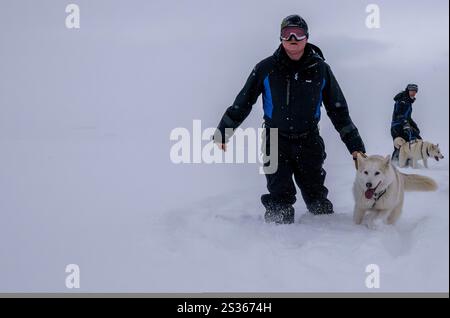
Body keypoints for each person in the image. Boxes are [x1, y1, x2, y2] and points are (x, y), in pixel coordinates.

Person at [213, 15, 366, 224]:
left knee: (316, 196)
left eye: (298, 33)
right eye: (287, 33)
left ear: (307, 37)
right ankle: (276, 245)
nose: (293, 37)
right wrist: (224, 130)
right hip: (275, 140)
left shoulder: (321, 70)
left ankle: (328, 242)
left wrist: (355, 145)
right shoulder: (266, 68)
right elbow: (244, 101)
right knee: (279, 197)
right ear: (281, 38)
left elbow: (338, 110)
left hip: (309, 140)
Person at [391, 84, 422, 161]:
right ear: (408, 90)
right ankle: (395, 162)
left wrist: (414, 126)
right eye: (412, 91)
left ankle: (408, 162)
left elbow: (408, 117)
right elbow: (398, 114)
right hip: (397, 126)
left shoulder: (409, 102)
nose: (413, 93)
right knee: (401, 145)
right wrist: (405, 123)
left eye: (415, 91)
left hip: (404, 125)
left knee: (414, 139)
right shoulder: (402, 100)